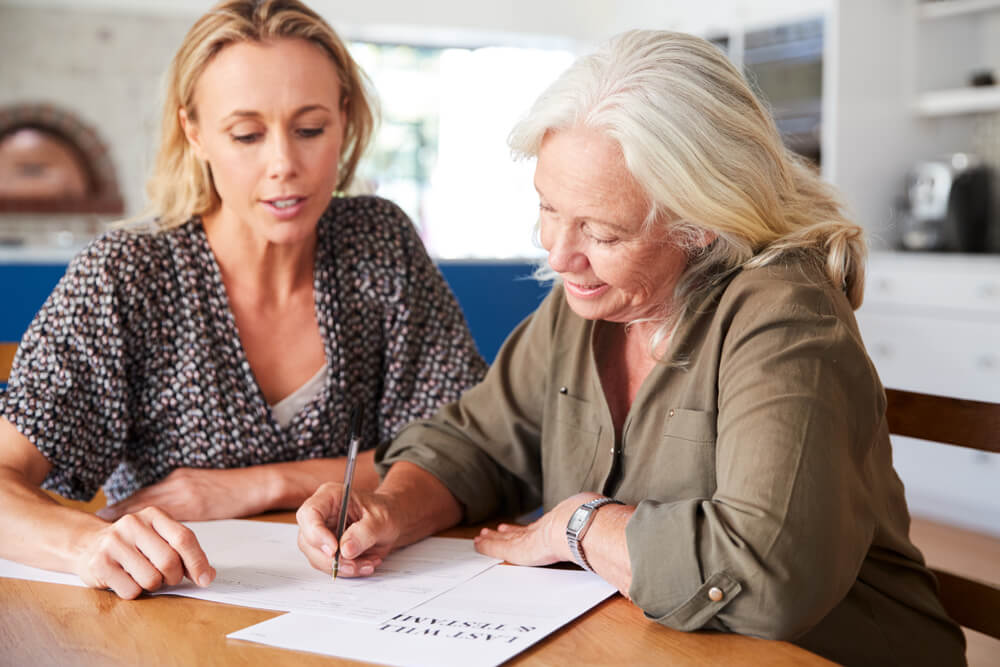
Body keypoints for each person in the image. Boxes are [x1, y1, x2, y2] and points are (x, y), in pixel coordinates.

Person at [296, 30, 967, 666]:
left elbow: (765, 577)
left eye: (603, 232)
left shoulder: (786, 317)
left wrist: (578, 525)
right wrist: (388, 505)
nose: (559, 255)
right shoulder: (585, 307)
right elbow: (478, 441)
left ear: (704, 221)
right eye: (548, 208)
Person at [0, 0, 485, 600]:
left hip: (371, 603)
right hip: (174, 616)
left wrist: (260, 485)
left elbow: (471, 453)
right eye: (247, 134)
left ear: (345, 117)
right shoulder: (126, 275)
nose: (284, 164)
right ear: (195, 132)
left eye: (310, 129)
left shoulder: (378, 244)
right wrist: (84, 544)